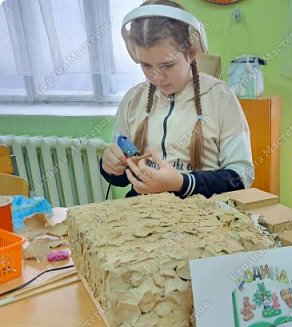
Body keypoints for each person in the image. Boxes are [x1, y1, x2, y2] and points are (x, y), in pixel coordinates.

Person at [100, 0, 253, 198]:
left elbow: (241, 178)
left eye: (167, 65)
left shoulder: (221, 98)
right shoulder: (133, 100)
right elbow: (122, 177)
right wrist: (111, 166)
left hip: (205, 218)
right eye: (146, 65)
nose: (156, 76)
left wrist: (181, 183)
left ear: (190, 54)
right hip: (144, 217)